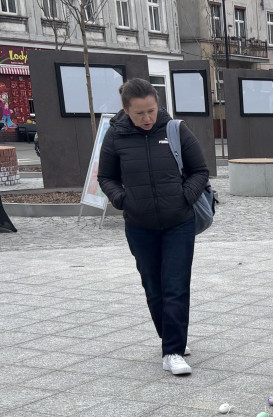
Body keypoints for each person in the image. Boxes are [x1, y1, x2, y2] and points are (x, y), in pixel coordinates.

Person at [97, 78, 209, 376]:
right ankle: (170, 337)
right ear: (125, 110)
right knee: (153, 287)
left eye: (152, 110)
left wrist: (184, 198)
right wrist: (123, 200)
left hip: (178, 222)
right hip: (139, 225)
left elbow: (200, 170)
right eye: (140, 113)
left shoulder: (175, 129)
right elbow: (105, 177)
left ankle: (172, 350)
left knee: (175, 285)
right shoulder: (115, 136)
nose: (148, 118)